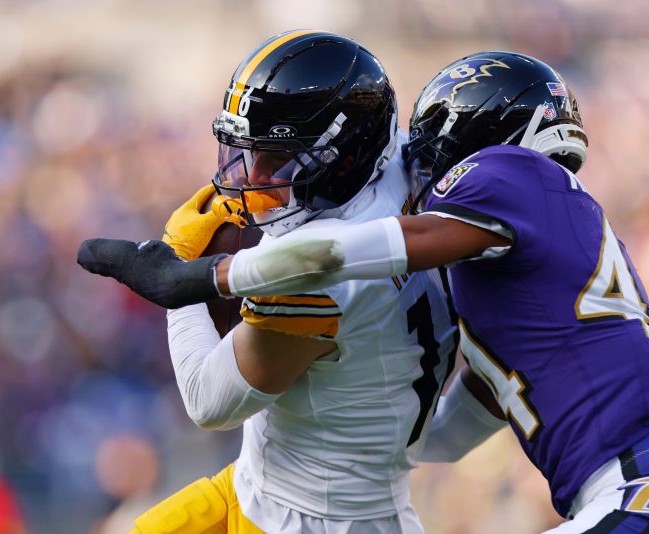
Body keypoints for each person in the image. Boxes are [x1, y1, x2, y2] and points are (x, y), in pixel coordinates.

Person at [80, 51, 649, 532]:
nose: (422, 167)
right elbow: (436, 440)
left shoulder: (511, 173)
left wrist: (203, 275)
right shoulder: (506, 293)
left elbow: (352, 252)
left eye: (434, 151)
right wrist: (364, 415)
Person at [87, 30, 457, 534]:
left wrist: (179, 273)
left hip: (309, 521)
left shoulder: (319, 272)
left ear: (345, 160)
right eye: (247, 153)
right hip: (264, 488)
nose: (251, 178)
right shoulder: (410, 169)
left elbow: (207, 401)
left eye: (275, 159)